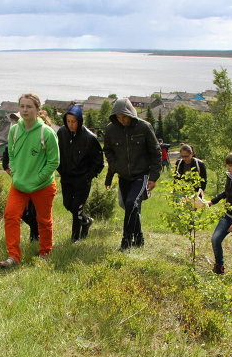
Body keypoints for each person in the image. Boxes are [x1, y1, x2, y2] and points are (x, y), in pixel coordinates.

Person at [0, 93, 60, 268]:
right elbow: (12, 155)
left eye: (29, 106)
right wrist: (16, 174)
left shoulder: (46, 132)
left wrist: (37, 179)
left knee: (43, 220)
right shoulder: (14, 130)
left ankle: (45, 252)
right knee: (10, 216)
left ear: (37, 110)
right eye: (22, 106)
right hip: (20, 184)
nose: (25, 110)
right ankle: (13, 257)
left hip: (43, 185)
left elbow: (54, 161)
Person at [103, 98, 161, 250]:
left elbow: (156, 153)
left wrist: (154, 177)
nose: (121, 120)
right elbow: (108, 150)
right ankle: (139, 238)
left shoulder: (144, 127)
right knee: (131, 207)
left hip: (141, 175)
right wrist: (113, 170)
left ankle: (126, 241)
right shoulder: (110, 129)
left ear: (131, 114)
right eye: (118, 117)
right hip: (123, 176)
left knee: (131, 203)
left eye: (124, 117)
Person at [56, 104, 105, 242]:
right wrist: (60, 170)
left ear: (80, 121)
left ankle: (75, 239)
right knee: (68, 205)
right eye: (68, 121)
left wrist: (87, 177)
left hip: (82, 180)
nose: (70, 124)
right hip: (66, 178)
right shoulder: (61, 133)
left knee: (76, 207)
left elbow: (98, 162)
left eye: (74, 121)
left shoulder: (90, 138)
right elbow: (56, 154)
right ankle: (87, 221)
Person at [2, 112, 38, 242]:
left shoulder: (37, 134)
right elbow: (6, 155)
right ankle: (35, 230)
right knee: (22, 211)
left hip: (36, 180)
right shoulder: (14, 135)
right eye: (14, 120)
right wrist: (8, 169)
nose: (15, 122)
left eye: (17, 119)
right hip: (20, 180)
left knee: (34, 210)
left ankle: (35, 236)